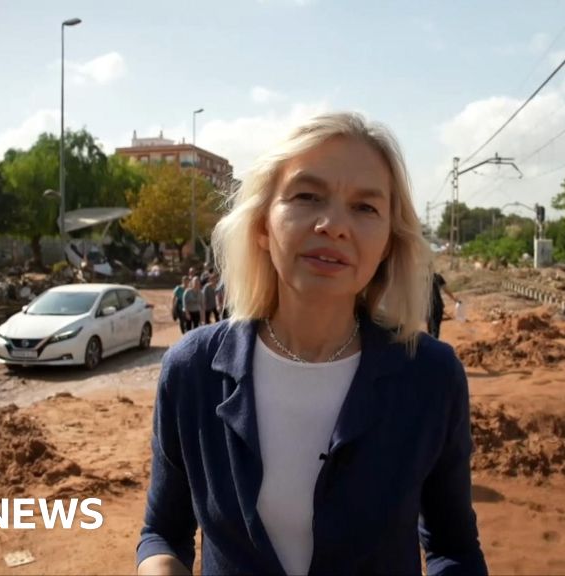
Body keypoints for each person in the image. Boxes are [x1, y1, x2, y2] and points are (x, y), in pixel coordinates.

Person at [136, 112, 487, 575]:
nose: (334, 225)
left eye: (365, 207)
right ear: (262, 225)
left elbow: (453, 548)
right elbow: (163, 532)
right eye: (307, 196)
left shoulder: (430, 375)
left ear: (388, 242)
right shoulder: (193, 369)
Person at [428, 270, 460, 339]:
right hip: (437, 306)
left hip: (428, 307)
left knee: (431, 328)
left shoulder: (420, 278)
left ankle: (432, 345)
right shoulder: (437, 276)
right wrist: (455, 299)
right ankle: (434, 345)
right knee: (435, 329)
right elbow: (446, 290)